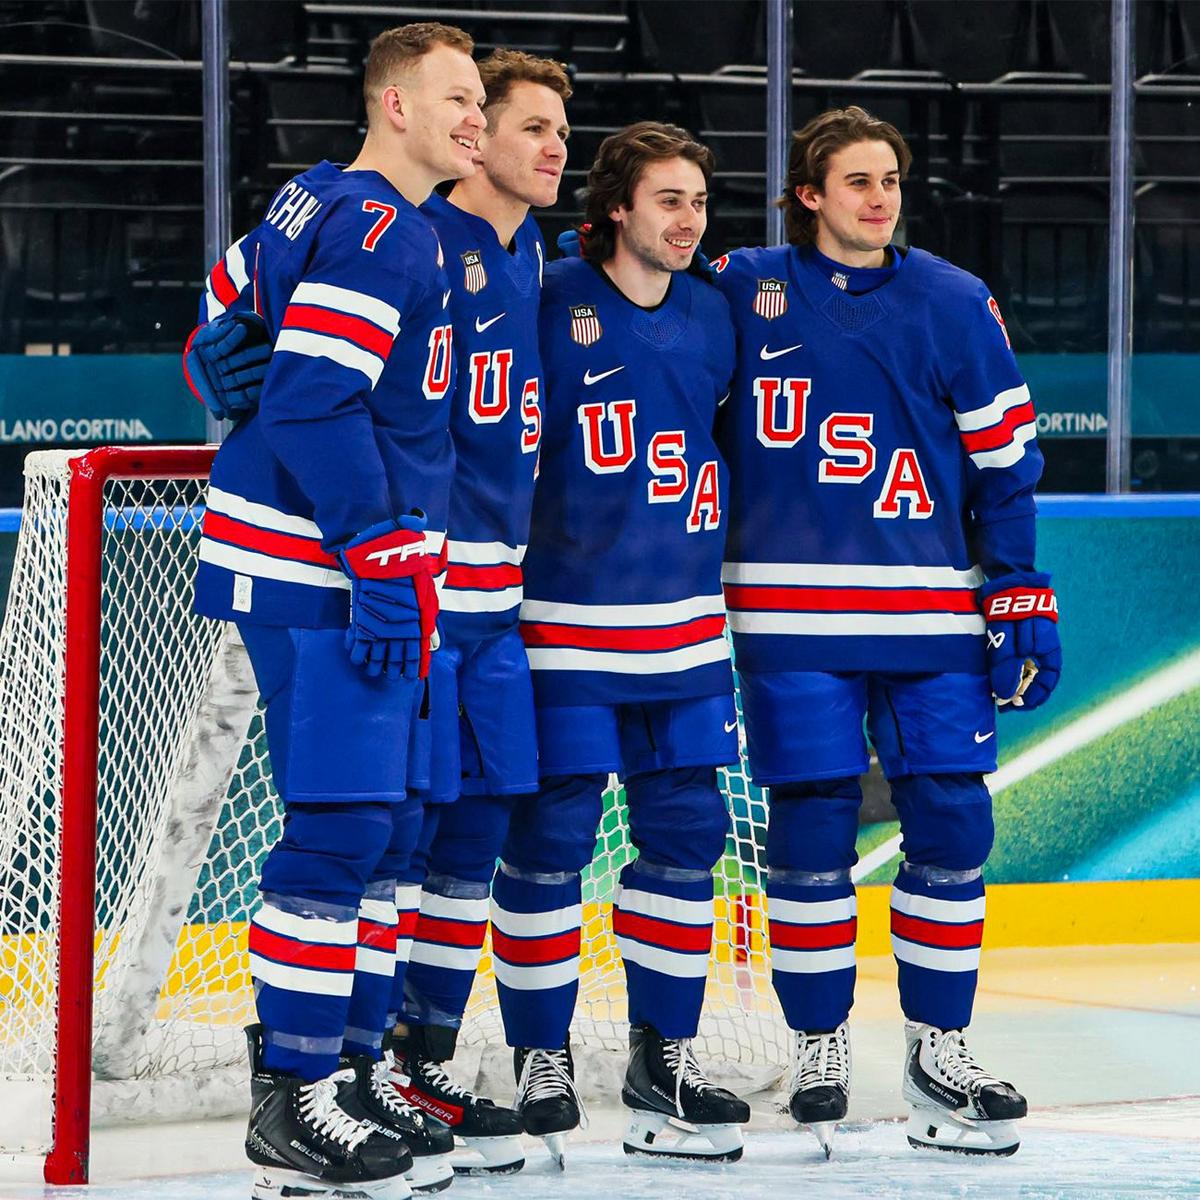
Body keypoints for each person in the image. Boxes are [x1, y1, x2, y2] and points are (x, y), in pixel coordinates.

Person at [187, 47, 574, 1177]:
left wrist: (216, 355)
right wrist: (377, 546)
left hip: (357, 561)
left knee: (393, 826)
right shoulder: (384, 226)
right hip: (326, 563)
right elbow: (309, 399)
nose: (476, 119)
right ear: (398, 107)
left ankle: (349, 1073)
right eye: (461, 100)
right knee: (349, 828)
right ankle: (293, 1094)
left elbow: (222, 325)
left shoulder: (326, 196)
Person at [710, 105, 1062, 1158]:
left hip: (928, 612)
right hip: (789, 614)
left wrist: (1022, 589)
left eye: (892, 181)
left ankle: (936, 1045)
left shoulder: (956, 302)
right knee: (813, 830)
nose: (880, 198)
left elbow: (1005, 464)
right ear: (809, 194)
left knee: (953, 826)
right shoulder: (740, 284)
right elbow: (625, 299)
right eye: (857, 181)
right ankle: (819, 1045)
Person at [495, 121, 750, 1165]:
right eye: (667, 201)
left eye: (697, 202)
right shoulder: (548, 300)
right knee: (550, 844)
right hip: (562, 626)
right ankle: (538, 1058)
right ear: (613, 210)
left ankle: (666, 1056)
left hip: (687, 634)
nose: (687, 221)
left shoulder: (716, 314)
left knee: (688, 839)